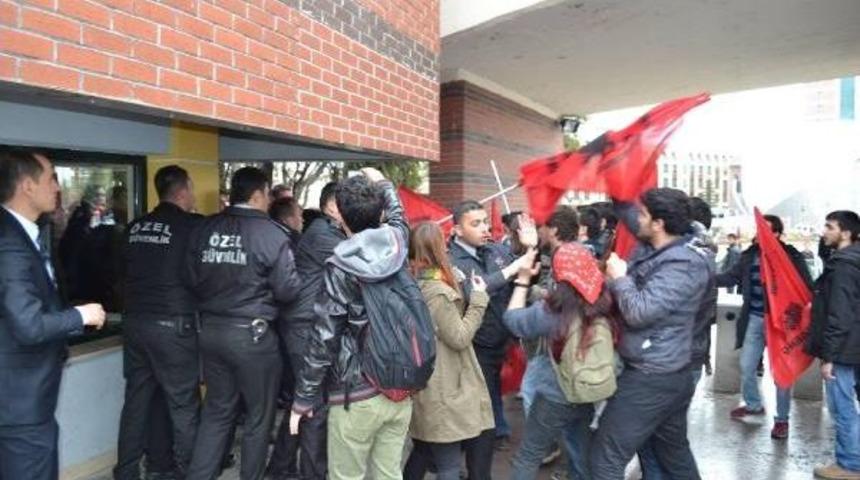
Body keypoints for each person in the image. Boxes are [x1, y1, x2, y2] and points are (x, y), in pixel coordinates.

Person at [289, 168, 414, 480]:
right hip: (400, 388)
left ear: (339, 216)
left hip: (357, 393)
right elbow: (398, 213)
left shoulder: (341, 264)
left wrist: (304, 398)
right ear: (380, 211)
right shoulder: (398, 242)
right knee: (388, 474)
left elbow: (324, 336)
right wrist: (381, 180)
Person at [184, 167, 301, 480]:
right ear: (259, 195)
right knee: (258, 418)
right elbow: (288, 290)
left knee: (217, 412)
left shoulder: (204, 229)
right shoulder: (272, 234)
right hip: (253, 337)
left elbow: (190, 278)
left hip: (210, 332)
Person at [589, 188, 711, 479]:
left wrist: (619, 279)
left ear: (658, 223)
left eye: (643, 214)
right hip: (667, 371)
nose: (637, 219)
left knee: (604, 457)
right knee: (674, 456)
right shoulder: (664, 243)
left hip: (653, 375)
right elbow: (630, 214)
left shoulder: (684, 263)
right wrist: (616, 178)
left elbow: (639, 312)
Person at [0, 148, 106, 480]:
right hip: (19, 403)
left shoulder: (19, 234)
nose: (57, 188)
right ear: (27, 185)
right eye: (51, 178)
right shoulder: (9, 243)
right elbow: (28, 324)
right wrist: (80, 315)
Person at [113, 165, 203, 480]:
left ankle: (126, 472)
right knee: (183, 406)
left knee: (137, 402)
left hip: (135, 324)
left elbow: (120, 276)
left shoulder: (135, 227)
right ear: (183, 189)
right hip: (173, 327)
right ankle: (189, 473)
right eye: (191, 189)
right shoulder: (191, 228)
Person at [506, 239, 618, 480]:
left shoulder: (552, 310)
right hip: (590, 391)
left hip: (554, 395)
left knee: (529, 454)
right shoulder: (606, 300)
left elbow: (513, 320)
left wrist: (523, 280)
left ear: (558, 273)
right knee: (582, 451)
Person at [402, 221, 494, 480]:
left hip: (427, 379)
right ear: (439, 248)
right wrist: (478, 299)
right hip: (445, 386)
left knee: (422, 451)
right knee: (449, 465)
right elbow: (459, 337)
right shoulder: (438, 293)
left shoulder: (414, 282)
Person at [268, 182, 346, 480]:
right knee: (315, 405)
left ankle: (279, 467)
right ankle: (313, 474)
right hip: (305, 327)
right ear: (332, 206)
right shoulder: (323, 235)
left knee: (303, 401)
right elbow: (368, 257)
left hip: (306, 325)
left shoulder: (327, 232)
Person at [637, 196, 718, 479]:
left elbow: (645, 312)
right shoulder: (701, 255)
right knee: (667, 440)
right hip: (685, 358)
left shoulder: (684, 262)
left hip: (670, 362)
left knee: (660, 441)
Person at [448, 200, 537, 454]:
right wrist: (511, 269)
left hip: (502, 341)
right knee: (477, 410)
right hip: (476, 346)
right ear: (457, 229)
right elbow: (473, 289)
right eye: (475, 224)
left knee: (490, 402)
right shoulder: (451, 259)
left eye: (485, 221)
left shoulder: (496, 250)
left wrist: (530, 249)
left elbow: (527, 277)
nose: (485, 228)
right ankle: (463, 461)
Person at [716, 214, 813, 439]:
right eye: (758, 231)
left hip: (782, 325)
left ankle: (782, 419)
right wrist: (701, 276)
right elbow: (730, 278)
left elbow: (805, 286)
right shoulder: (749, 256)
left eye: (766, 231)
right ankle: (753, 404)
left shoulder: (791, 255)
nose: (759, 235)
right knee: (746, 365)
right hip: (755, 319)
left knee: (782, 372)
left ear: (777, 234)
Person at [805, 211, 860, 480]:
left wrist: (829, 357)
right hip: (854, 343)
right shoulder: (851, 260)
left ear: (846, 233)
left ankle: (850, 464)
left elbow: (840, 313)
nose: (824, 231)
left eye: (829, 227)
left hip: (845, 347)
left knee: (842, 406)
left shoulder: (845, 266)